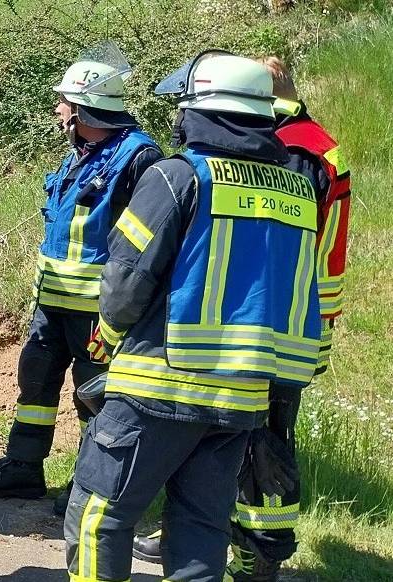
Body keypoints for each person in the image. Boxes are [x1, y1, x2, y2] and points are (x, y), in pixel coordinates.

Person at [63, 50, 324, 582]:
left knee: (98, 519)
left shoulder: (178, 176)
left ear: (203, 110)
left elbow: (127, 280)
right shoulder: (297, 189)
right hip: (241, 398)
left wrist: (104, 340)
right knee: (202, 530)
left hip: (158, 386)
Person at [131, 56, 350, 582]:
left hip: (269, 317)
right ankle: (227, 537)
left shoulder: (291, 151)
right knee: (249, 432)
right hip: (299, 313)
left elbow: (266, 243)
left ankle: (257, 554)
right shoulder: (316, 143)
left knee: (260, 440)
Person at [0, 54, 161, 516]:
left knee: (95, 396)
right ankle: (24, 469)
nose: (56, 110)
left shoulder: (139, 158)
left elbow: (148, 244)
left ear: (82, 109)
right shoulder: (80, 154)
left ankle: (89, 484)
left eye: (63, 102)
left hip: (101, 312)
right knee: (35, 384)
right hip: (51, 305)